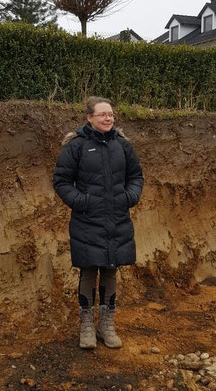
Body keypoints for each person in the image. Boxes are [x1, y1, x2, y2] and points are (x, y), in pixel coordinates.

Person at [53, 96, 144, 349]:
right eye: (103, 114)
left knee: (111, 269)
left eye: (111, 114)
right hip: (87, 220)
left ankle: (106, 324)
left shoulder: (123, 146)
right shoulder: (77, 146)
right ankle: (86, 326)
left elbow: (136, 175)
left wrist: (130, 196)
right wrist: (82, 202)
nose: (108, 118)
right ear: (89, 118)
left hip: (117, 218)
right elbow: (61, 181)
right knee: (89, 269)